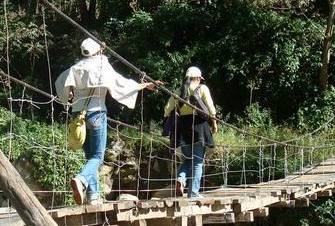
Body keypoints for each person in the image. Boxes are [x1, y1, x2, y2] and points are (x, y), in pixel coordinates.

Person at [55, 38, 155, 205]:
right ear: (98, 50)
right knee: (98, 156)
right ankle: (81, 179)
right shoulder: (102, 65)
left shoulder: (76, 67)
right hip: (96, 113)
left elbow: (61, 82)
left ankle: (92, 197)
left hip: (77, 115)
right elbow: (121, 83)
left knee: (89, 156)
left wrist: (68, 96)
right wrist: (144, 86)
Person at [163, 66, 218, 198]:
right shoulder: (202, 88)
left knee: (187, 159)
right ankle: (193, 193)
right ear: (198, 78)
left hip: (183, 128)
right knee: (198, 161)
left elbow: (167, 110)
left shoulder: (178, 90)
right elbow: (211, 108)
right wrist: (214, 123)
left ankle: (181, 179)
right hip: (200, 127)